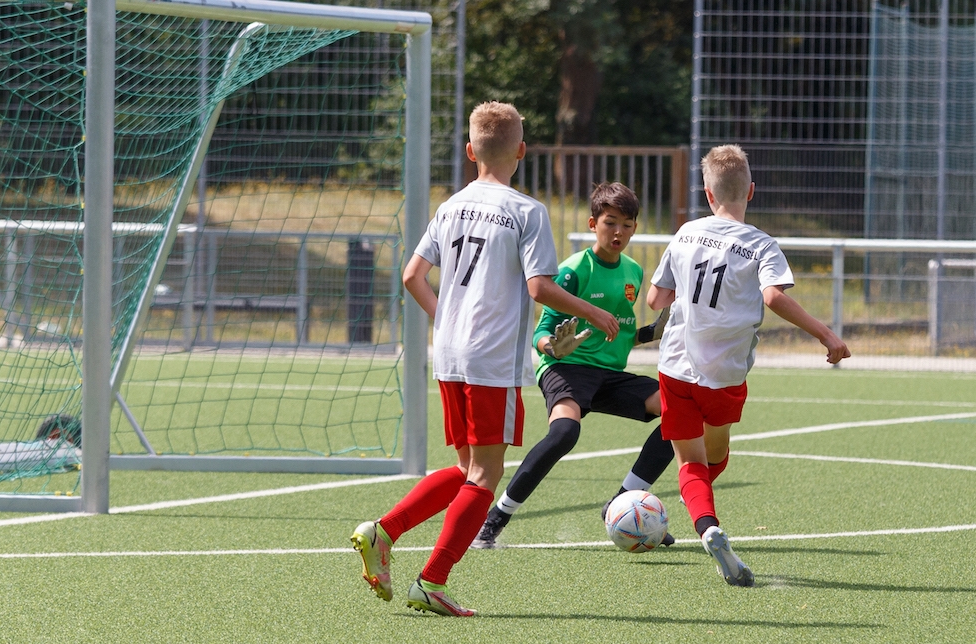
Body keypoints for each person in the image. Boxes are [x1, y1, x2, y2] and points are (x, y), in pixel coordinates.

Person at [350, 101, 619, 617]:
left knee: (465, 466)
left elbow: (412, 276)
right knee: (484, 476)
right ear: (522, 151)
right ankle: (432, 579)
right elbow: (539, 287)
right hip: (491, 359)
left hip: (450, 351)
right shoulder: (526, 211)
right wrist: (594, 312)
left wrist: (448, 321)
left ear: (470, 151)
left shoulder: (450, 206)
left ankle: (384, 532)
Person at [647, 144, 850, 587]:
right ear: (751, 191)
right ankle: (704, 516)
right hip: (725, 374)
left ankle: (705, 522)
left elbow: (655, 299)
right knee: (713, 457)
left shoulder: (685, 233)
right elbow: (773, 296)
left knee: (692, 464)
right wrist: (826, 334)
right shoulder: (761, 244)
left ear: (707, 193)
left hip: (675, 366)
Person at [471, 181, 676, 549]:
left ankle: (620, 504)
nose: (618, 232)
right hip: (566, 369)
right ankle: (495, 519)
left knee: (679, 413)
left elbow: (620, 334)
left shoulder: (633, 271)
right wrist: (553, 347)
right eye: (610, 223)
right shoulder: (573, 270)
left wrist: (652, 332)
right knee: (565, 433)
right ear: (593, 223)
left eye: (627, 225)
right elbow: (541, 333)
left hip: (609, 375)